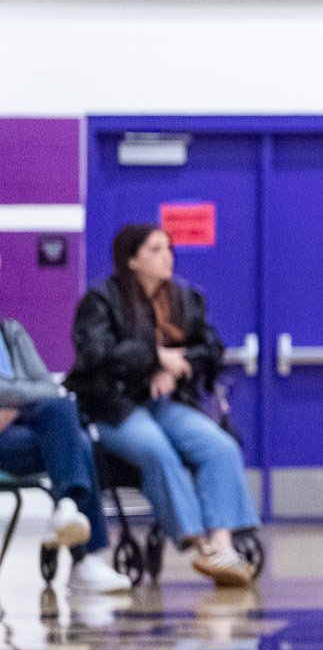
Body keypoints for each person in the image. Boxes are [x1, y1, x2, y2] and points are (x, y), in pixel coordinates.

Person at [70, 224, 259, 587]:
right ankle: (199, 543)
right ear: (132, 260)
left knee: (220, 446)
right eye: (155, 250)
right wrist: (155, 357)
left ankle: (222, 545)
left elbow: (210, 348)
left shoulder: (184, 298)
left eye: (169, 248)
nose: (167, 257)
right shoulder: (101, 300)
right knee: (158, 450)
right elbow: (96, 355)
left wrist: (178, 365)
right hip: (113, 405)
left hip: (162, 402)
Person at [0, 277, 128, 593]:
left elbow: (47, 385)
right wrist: (22, 396)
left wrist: (13, 402)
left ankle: (68, 509)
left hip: (25, 425)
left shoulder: (10, 330)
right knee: (74, 439)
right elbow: (39, 390)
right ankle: (85, 558)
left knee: (67, 421)